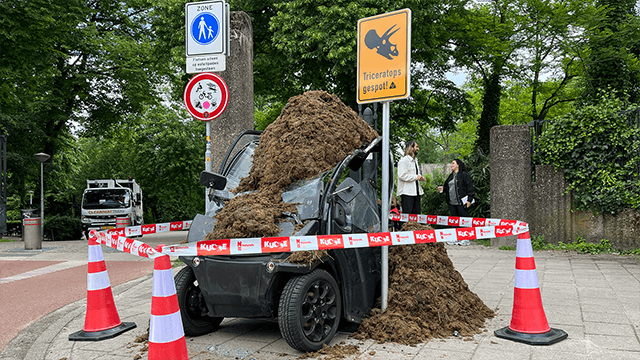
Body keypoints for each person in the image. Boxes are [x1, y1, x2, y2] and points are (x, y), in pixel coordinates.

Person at [397, 141, 425, 214]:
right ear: (411, 148)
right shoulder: (404, 161)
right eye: (416, 147)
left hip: (416, 192)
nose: (418, 149)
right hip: (407, 193)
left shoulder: (415, 161)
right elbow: (401, 175)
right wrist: (416, 177)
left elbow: (415, 176)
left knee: (416, 216)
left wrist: (420, 178)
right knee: (407, 217)